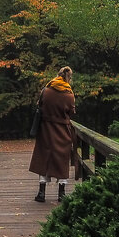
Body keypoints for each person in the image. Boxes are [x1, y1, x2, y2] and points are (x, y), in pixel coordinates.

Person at [28, 66, 76, 202]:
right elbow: (71, 112)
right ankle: (61, 194)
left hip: (45, 129)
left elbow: (40, 106)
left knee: (44, 157)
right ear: (68, 77)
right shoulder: (69, 93)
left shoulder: (46, 90)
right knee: (62, 159)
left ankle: (41, 193)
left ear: (57, 75)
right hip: (62, 130)